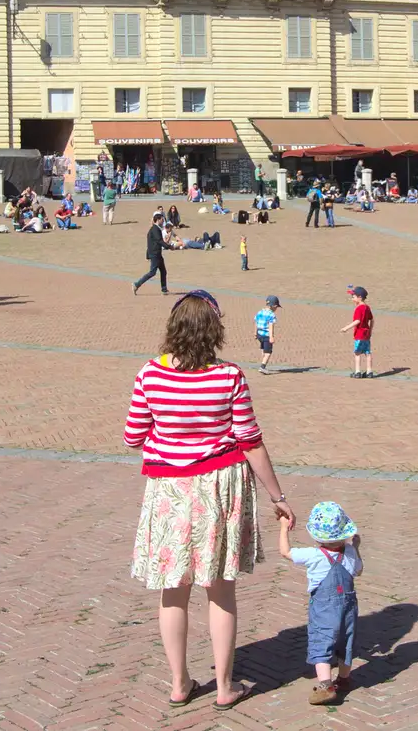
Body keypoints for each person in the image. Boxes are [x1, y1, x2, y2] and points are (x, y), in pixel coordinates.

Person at [122, 289, 295, 712]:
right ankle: (224, 686)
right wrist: (279, 496)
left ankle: (180, 683)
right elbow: (251, 442)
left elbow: (132, 436)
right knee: (220, 588)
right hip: (220, 486)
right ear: (214, 329)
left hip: (171, 489)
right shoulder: (230, 376)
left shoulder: (150, 374)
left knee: (173, 589)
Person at [278, 502, 363, 706]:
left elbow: (286, 552)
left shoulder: (313, 555)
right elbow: (358, 570)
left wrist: (283, 528)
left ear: (317, 536)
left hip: (324, 608)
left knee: (321, 640)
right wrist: (356, 548)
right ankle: (343, 679)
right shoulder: (350, 552)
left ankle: (325, 686)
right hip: (348, 606)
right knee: (346, 641)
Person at [340, 286, 373, 379]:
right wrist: (370, 330)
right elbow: (372, 319)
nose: (352, 298)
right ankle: (369, 371)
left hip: (359, 334)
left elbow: (357, 321)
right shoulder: (367, 307)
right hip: (366, 334)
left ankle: (358, 371)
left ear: (360, 297)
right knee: (368, 353)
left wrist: (346, 328)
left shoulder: (359, 308)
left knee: (357, 353)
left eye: (353, 296)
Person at [134, 213, 170, 295]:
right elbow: (159, 241)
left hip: (157, 254)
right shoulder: (155, 229)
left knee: (163, 271)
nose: (163, 221)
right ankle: (136, 284)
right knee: (152, 272)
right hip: (155, 254)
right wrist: (169, 246)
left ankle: (164, 289)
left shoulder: (156, 229)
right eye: (162, 219)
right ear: (158, 220)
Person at [255, 295, 279, 374]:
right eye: (276, 307)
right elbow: (271, 326)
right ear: (274, 306)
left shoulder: (260, 312)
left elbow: (256, 322)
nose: (276, 309)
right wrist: (271, 337)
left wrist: (255, 332)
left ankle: (263, 361)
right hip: (266, 335)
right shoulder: (271, 315)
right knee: (268, 352)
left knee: (263, 349)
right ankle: (262, 367)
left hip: (259, 334)